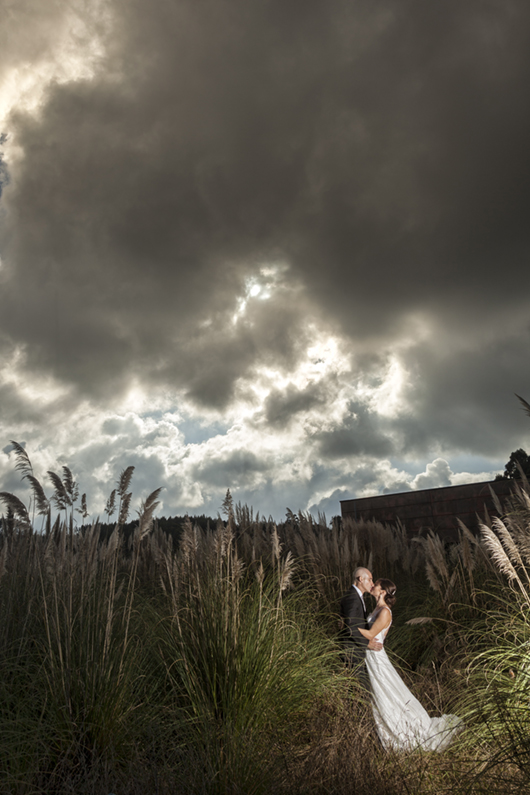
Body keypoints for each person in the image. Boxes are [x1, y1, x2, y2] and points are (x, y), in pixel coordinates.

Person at [359, 578, 462, 751]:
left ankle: (403, 732)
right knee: (379, 694)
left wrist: (350, 628)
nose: (373, 586)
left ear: (383, 592)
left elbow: (370, 634)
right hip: (370, 655)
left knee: (386, 692)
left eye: (376, 584)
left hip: (376, 658)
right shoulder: (377, 609)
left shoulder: (385, 612)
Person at [339, 567, 382, 689]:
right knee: (361, 689)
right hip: (352, 650)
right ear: (360, 579)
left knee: (358, 688)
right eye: (370, 580)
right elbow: (350, 627)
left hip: (356, 650)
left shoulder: (357, 596)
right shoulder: (352, 598)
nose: (372, 584)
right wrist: (367, 643)